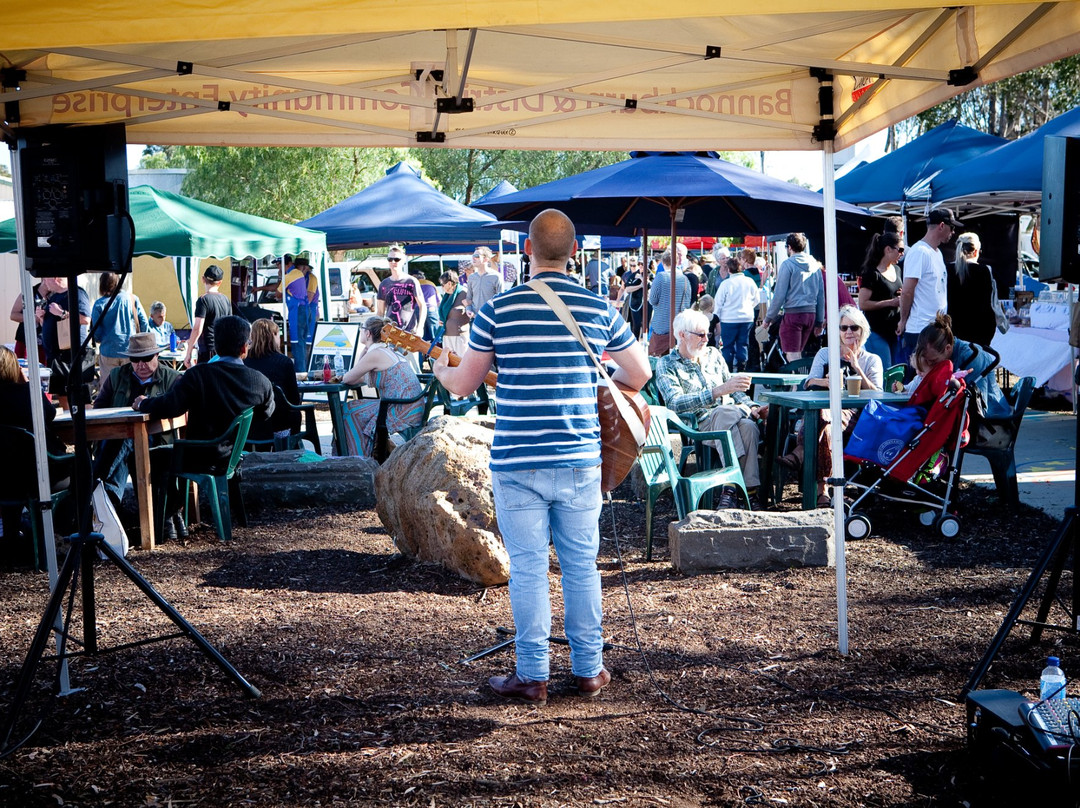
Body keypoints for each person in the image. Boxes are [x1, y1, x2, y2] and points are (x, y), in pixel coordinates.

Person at [433, 209, 650, 707]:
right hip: (580, 457)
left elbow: (464, 386)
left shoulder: (498, 310)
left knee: (529, 569)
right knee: (581, 566)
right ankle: (589, 669)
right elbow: (637, 376)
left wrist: (442, 369)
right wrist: (590, 390)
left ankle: (532, 676)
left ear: (527, 252)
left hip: (518, 459)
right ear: (574, 253)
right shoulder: (600, 309)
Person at [135, 315, 274, 486]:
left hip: (196, 458)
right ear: (244, 348)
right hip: (232, 458)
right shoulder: (260, 382)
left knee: (140, 457)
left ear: (216, 346)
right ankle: (177, 508)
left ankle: (168, 510)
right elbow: (265, 413)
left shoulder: (198, 375)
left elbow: (171, 406)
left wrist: (143, 403)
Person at [656, 308, 767, 509]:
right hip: (697, 425)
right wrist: (716, 393)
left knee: (748, 427)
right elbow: (674, 402)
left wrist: (752, 405)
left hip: (725, 419)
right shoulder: (667, 364)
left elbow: (733, 390)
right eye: (700, 334)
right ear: (682, 335)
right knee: (727, 413)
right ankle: (745, 491)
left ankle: (731, 490)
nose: (706, 339)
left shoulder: (714, 355)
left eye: (707, 333)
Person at [777, 305, 882, 506]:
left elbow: (877, 393)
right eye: (843, 328)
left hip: (856, 417)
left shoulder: (871, 360)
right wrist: (826, 382)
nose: (849, 332)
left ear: (863, 331)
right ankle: (826, 490)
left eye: (854, 327)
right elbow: (808, 382)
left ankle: (801, 455)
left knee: (822, 418)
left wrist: (857, 368)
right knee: (824, 419)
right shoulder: (826, 354)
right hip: (823, 413)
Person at [92, 332, 184, 537]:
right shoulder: (117, 376)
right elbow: (99, 409)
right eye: (135, 359)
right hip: (117, 444)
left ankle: (100, 492)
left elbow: (179, 412)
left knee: (126, 438)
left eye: (146, 358)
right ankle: (108, 505)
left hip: (156, 444)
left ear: (157, 356)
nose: (140, 364)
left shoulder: (173, 379)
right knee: (125, 440)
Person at [0, 345, 68, 557]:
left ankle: (12, 536)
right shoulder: (28, 394)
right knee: (83, 470)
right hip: (37, 475)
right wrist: (29, 384)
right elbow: (49, 414)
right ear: (14, 368)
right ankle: (60, 530)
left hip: (4, 478)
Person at [339, 316, 425, 457]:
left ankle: (359, 458)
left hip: (402, 409)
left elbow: (348, 378)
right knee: (356, 408)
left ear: (368, 333)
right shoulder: (385, 350)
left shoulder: (375, 354)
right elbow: (358, 378)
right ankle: (376, 452)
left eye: (362, 328)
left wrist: (363, 354)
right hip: (409, 406)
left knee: (349, 410)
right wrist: (364, 352)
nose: (361, 331)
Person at [897, 208, 962, 365]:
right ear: (941, 225)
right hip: (920, 330)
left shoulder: (936, 252)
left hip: (934, 330)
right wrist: (903, 320)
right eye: (951, 227)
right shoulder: (919, 252)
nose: (953, 232)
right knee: (919, 379)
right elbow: (906, 291)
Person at [762, 232, 824, 362]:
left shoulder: (787, 265)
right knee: (799, 353)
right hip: (810, 314)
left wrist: (768, 318)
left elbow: (779, 295)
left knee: (792, 354)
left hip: (793, 314)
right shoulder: (815, 265)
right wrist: (819, 320)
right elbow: (820, 295)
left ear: (789, 247)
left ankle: (797, 382)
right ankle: (801, 381)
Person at [244, 319, 303, 445]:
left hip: (249, 424)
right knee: (296, 413)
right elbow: (294, 399)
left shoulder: (244, 362)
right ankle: (291, 448)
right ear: (273, 336)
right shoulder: (284, 362)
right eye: (278, 334)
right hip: (279, 424)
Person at [858, 231, 904, 368]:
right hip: (876, 330)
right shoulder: (871, 273)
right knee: (885, 370)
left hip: (894, 330)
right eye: (900, 250)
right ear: (888, 249)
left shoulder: (897, 270)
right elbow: (863, 303)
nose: (902, 253)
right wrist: (890, 302)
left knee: (897, 370)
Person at [91, 271, 149, 379]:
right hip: (130, 350)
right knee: (130, 386)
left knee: (108, 388)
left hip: (108, 351)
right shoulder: (132, 299)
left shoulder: (99, 304)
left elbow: (96, 331)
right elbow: (144, 322)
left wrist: (99, 339)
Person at [946, 232, 998, 349]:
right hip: (978, 331)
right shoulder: (983, 270)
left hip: (953, 330)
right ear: (976, 251)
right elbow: (988, 304)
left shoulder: (947, 269)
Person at [715, 256, 759, 372]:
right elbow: (757, 299)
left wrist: (716, 316)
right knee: (743, 345)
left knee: (728, 346)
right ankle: (742, 369)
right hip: (746, 318)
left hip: (728, 319)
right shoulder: (749, 282)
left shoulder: (726, 284)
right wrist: (749, 307)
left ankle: (728, 371)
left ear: (729, 269)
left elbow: (718, 303)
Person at [38, 276, 91, 368]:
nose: (44, 282)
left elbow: (86, 319)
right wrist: (41, 317)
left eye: (46, 279)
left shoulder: (77, 293)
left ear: (55, 278)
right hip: (53, 356)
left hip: (69, 355)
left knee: (69, 382)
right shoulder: (53, 297)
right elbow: (48, 324)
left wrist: (61, 313)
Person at [184, 264, 232, 369]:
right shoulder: (226, 299)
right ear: (220, 282)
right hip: (224, 350)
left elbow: (197, 328)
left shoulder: (203, 300)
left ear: (203, 279)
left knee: (205, 383)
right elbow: (230, 326)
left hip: (208, 349)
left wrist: (189, 353)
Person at [647, 248, 691, 356]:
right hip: (680, 325)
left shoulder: (660, 277)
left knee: (658, 359)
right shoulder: (685, 279)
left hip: (662, 325)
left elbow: (652, 300)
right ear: (677, 262)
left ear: (663, 262)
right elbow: (687, 303)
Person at [377, 245, 426, 338]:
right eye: (390, 259)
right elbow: (380, 312)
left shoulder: (412, 282)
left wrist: (420, 328)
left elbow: (422, 305)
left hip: (409, 333)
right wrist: (377, 331)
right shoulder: (384, 284)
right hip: (390, 333)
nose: (393, 262)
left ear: (403, 261)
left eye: (396, 259)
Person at [283, 256, 318, 372]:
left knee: (304, 345)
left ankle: (304, 372)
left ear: (305, 268)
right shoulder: (295, 278)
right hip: (300, 313)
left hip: (308, 313)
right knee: (299, 344)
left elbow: (308, 297)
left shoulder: (311, 278)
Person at [9, 281, 45, 362]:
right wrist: (34, 318)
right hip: (25, 341)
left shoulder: (56, 294)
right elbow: (13, 315)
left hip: (46, 343)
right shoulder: (28, 293)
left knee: (45, 371)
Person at [465, 246, 504, 319]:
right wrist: (468, 309)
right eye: (473, 255)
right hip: (475, 319)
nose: (473, 258)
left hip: (491, 319)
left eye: (477, 256)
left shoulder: (496, 277)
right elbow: (468, 297)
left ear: (486, 259)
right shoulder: (471, 277)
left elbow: (500, 301)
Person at [438, 271, 469, 357]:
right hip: (446, 335)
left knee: (461, 363)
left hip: (460, 336)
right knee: (449, 364)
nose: (442, 287)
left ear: (448, 283)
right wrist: (441, 320)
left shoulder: (464, 293)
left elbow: (473, 311)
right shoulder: (447, 296)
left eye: (442, 284)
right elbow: (445, 314)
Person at [412, 267, 441, 344]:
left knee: (421, 335)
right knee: (435, 335)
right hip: (432, 309)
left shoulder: (414, 284)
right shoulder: (431, 283)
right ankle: (436, 353)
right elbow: (439, 301)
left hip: (418, 309)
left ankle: (423, 355)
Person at [621, 255, 646, 338]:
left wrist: (642, 279)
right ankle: (635, 343)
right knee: (635, 326)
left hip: (646, 303)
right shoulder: (631, 275)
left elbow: (649, 286)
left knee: (646, 325)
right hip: (635, 303)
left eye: (634, 265)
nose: (633, 267)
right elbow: (626, 288)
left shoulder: (648, 274)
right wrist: (639, 286)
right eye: (631, 265)